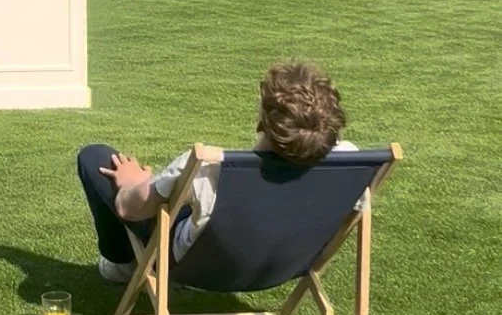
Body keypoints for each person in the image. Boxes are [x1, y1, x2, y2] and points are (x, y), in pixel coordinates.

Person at [77, 61, 356, 281]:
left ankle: (122, 268)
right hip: (284, 264)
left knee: (95, 157)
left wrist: (135, 183)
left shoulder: (209, 166)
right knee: (194, 205)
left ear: (263, 121)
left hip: (196, 263)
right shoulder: (350, 163)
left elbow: (129, 209)